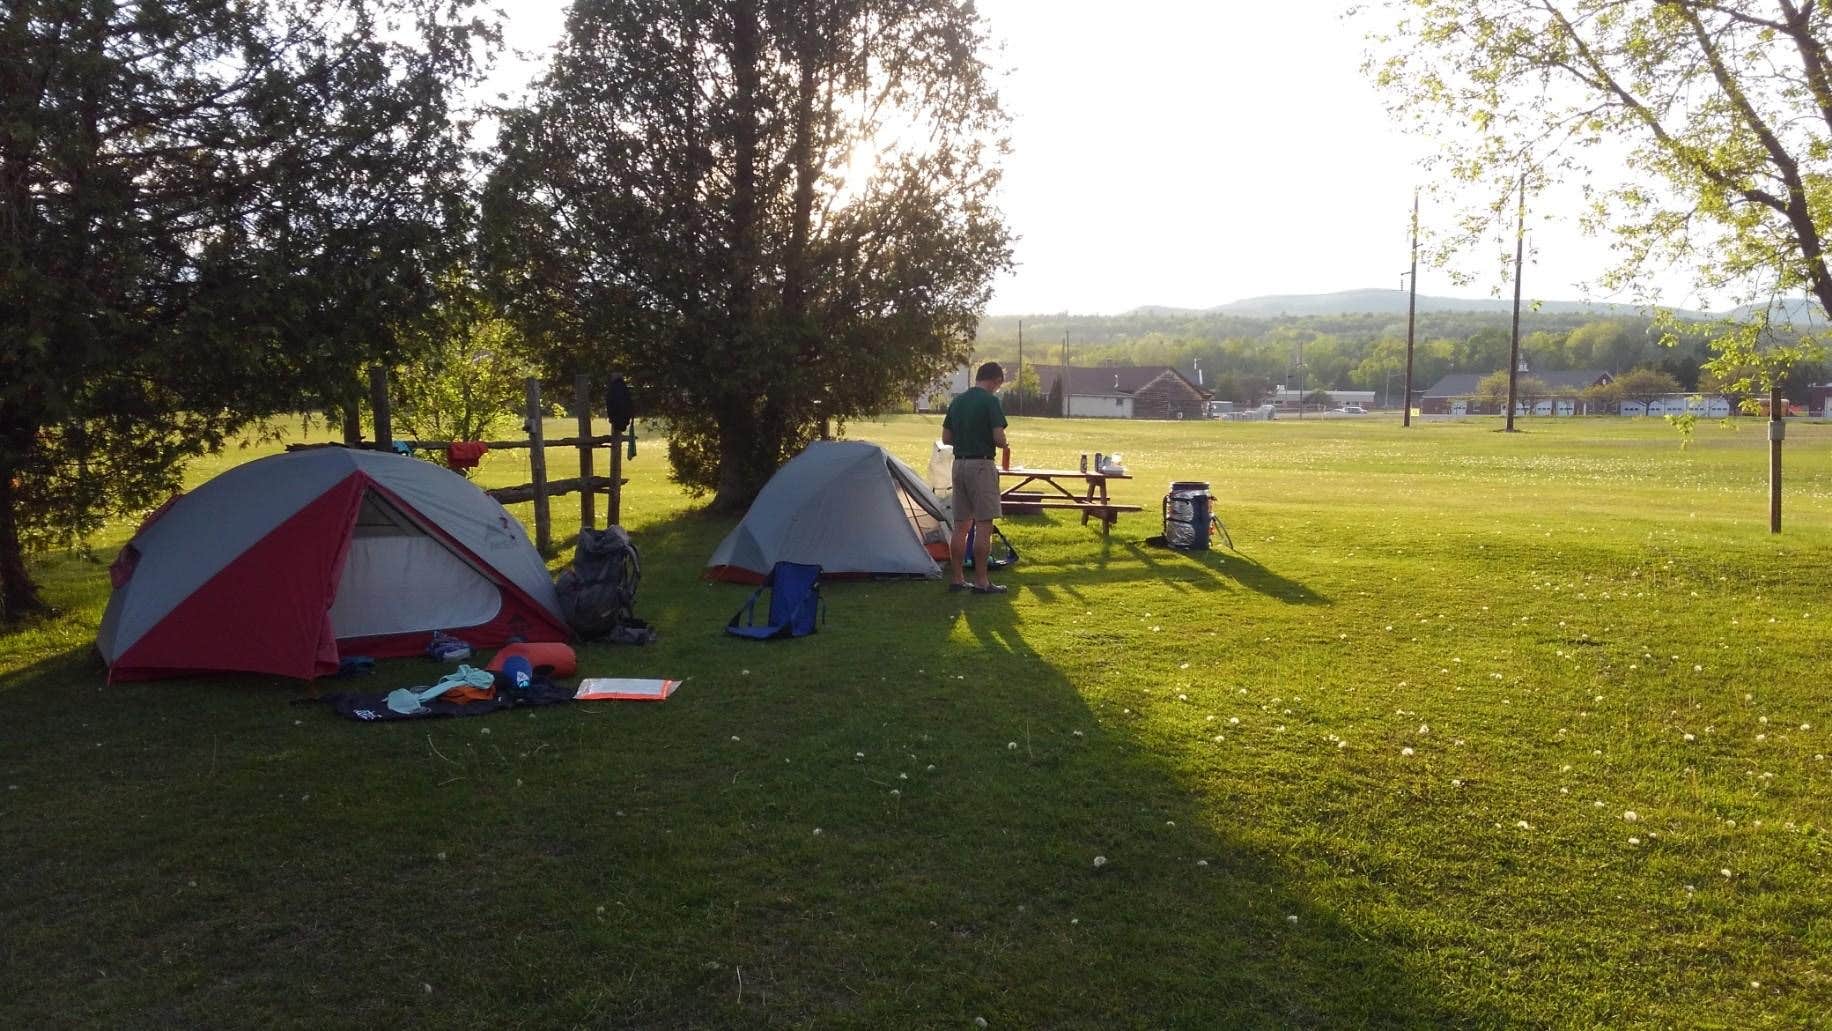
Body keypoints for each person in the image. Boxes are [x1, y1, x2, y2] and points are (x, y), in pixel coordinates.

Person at [941, 361, 1010, 594]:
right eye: (998, 385)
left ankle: (958, 578)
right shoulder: (990, 401)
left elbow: (947, 437)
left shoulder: (958, 401)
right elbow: (999, 438)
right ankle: (982, 581)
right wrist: (1004, 442)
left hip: (958, 465)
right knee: (983, 524)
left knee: (960, 526)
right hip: (981, 464)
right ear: (995, 380)